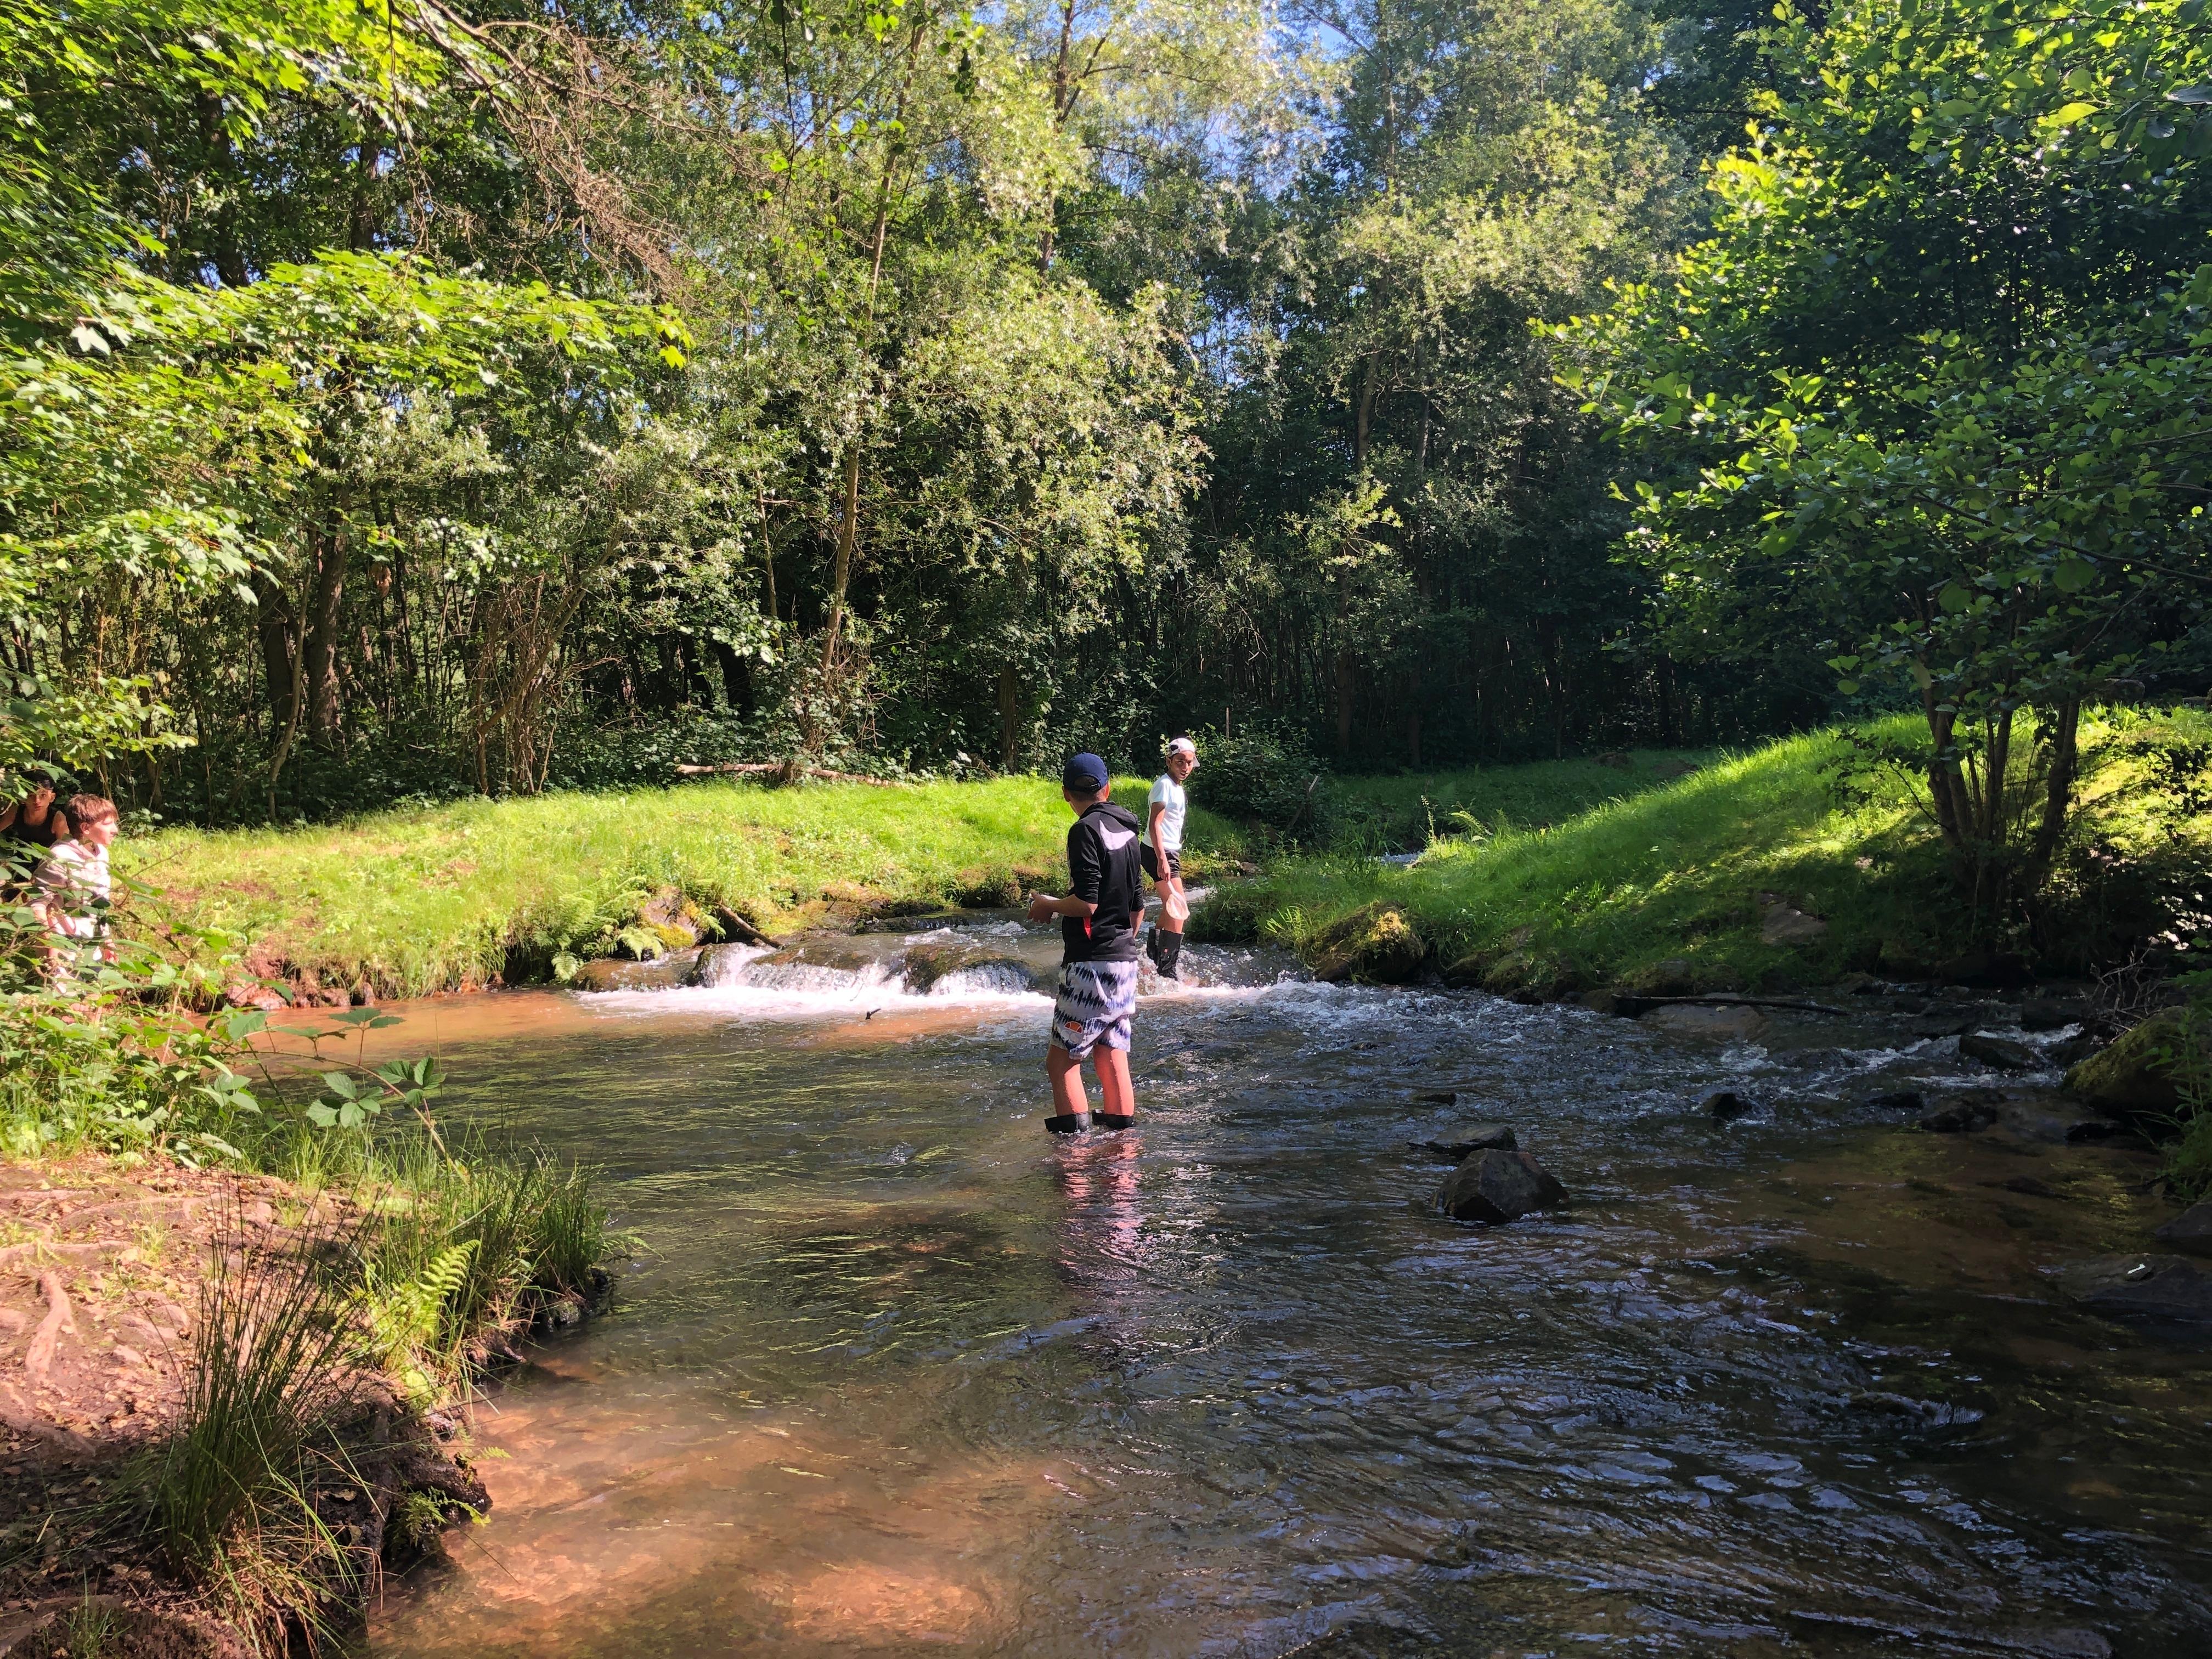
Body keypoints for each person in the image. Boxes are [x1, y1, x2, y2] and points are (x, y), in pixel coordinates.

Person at [1027, 753, 1145, 1133]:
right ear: (1107, 788)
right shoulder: (1129, 830)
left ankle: (1074, 1167)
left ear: (1066, 794)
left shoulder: (1084, 831)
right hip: (1124, 961)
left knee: (1062, 1063)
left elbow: (1088, 903)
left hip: (1090, 965)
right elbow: (1137, 908)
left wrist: (1048, 904)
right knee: (1112, 1057)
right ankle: (1122, 1166)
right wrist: (1120, 943)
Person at [31, 793, 118, 970]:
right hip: (63, 954)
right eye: (108, 824)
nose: (115, 830)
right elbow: (38, 905)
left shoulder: (102, 853)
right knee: (68, 999)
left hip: (92, 949)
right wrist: (51, 947)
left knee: (94, 997)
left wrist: (107, 940)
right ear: (86, 828)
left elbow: (99, 904)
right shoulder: (59, 857)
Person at [1142, 736, 1198, 980]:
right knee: (1179, 910)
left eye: (1189, 763)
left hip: (1168, 852)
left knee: (1172, 905)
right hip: (1159, 852)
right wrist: (1162, 859)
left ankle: (1153, 952)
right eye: (1179, 762)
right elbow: (1155, 824)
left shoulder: (1177, 786)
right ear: (1169, 761)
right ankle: (1166, 972)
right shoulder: (1164, 785)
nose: (1185, 767)